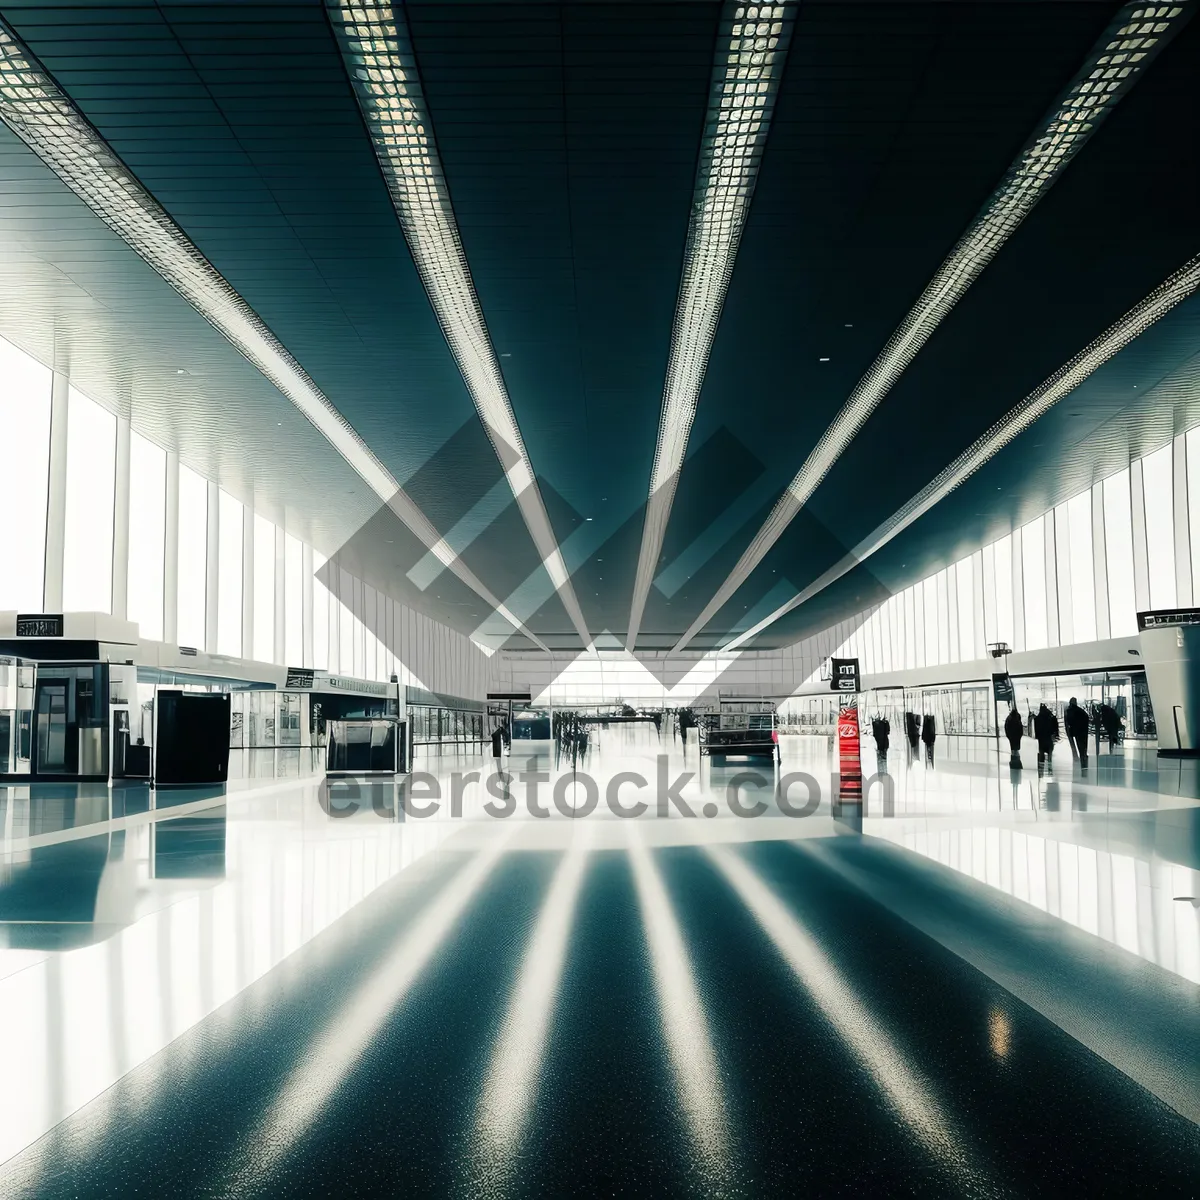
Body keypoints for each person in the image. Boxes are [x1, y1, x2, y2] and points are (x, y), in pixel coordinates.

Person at [1064, 697, 1089, 767]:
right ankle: (1084, 762)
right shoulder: (1081, 711)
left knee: (1076, 747)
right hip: (1083, 732)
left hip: (1074, 732)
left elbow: (1068, 722)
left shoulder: (1069, 711)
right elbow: (1086, 718)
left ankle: (1078, 760)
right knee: (1083, 748)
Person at [1033, 703, 1058, 769]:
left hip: (1041, 738)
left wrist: (1037, 736)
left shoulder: (1037, 718)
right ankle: (1050, 767)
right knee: (1050, 753)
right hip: (1049, 737)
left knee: (1041, 753)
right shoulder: (1050, 717)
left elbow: (1036, 729)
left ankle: (1041, 768)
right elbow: (1055, 726)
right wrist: (1055, 734)